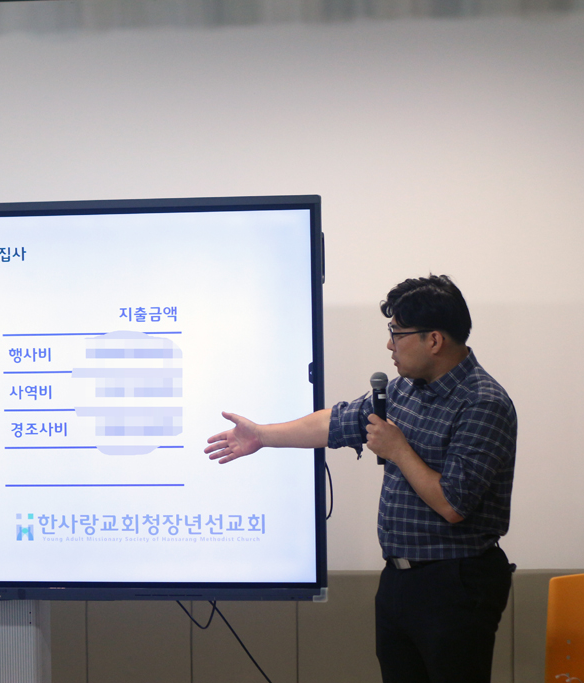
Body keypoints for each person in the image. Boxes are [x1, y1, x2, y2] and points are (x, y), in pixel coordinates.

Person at [204, 274, 516, 683]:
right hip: (399, 578)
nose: (389, 345)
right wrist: (262, 436)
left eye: (397, 333)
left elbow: (452, 504)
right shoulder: (405, 391)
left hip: (456, 583)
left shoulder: (482, 403)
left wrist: (398, 450)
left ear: (434, 340)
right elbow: (335, 422)